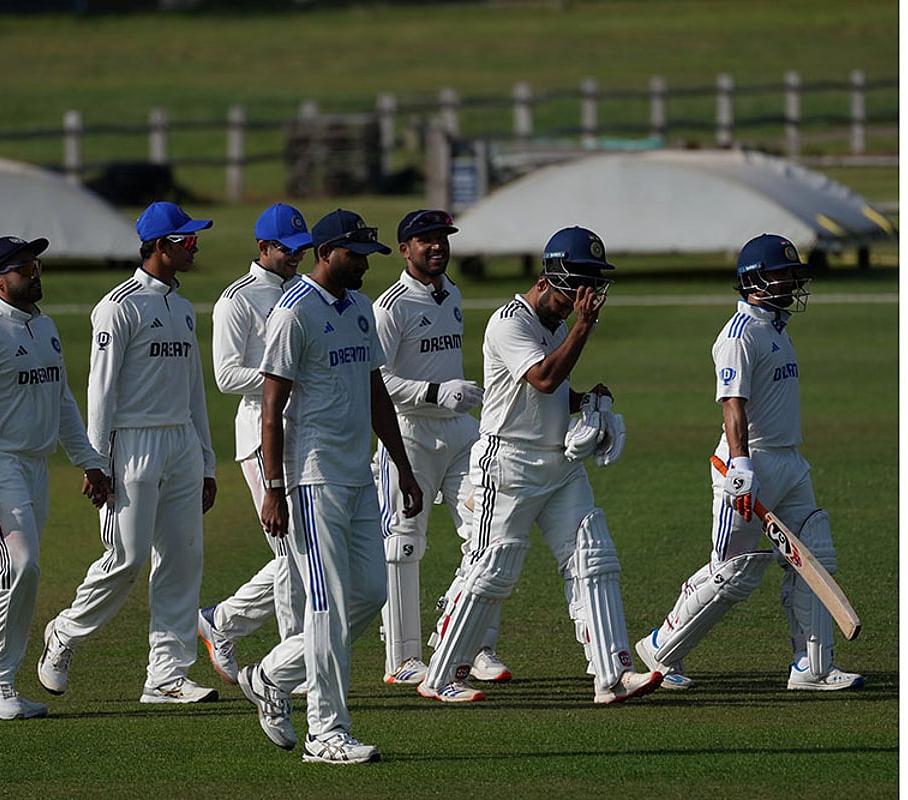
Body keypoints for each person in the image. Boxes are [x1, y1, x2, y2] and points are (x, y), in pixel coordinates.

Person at [418, 226, 662, 706]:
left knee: (594, 555)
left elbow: (548, 395)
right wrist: (584, 328)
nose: (586, 295)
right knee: (491, 567)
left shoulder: (555, 325)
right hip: (508, 464)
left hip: (559, 463)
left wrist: (590, 402)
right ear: (552, 276)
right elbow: (544, 379)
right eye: (580, 283)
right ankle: (440, 675)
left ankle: (611, 675)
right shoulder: (510, 322)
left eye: (593, 284)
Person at [634, 233, 864, 692]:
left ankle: (811, 668)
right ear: (754, 280)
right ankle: (659, 649)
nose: (790, 283)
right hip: (747, 466)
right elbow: (732, 404)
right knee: (732, 572)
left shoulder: (775, 332)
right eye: (782, 274)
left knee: (814, 553)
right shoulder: (738, 336)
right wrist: (741, 466)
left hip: (790, 463)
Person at [237, 208, 423, 765]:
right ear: (326, 254)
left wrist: (403, 467)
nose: (365, 265)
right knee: (326, 607)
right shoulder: (293, 312)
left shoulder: (361, 308)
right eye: (356, 255)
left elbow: (374, 393)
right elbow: (271, 408)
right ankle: (326, 733)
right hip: (309, 481)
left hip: (358, 477)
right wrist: (274, 486)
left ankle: (272, 673)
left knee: (369, 592)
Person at [37, 202, 221, 704]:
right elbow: (101, 390)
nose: (194, 245)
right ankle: (64, 633)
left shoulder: (183, 308)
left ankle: (166, 675)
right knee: (126, 558)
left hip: (180, 441)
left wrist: (206, 461)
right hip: (131, 444)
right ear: (161, 246)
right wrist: (95, 462)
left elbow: (194, 389)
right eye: (186, 239)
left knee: (183, 559)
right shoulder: (118, 307)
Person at [0, 235, 111, 720]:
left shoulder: (45, 327)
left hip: (34, 466)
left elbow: (61, 401)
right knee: (17, 565)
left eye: (36, 265)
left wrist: (88, 460)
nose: (35, 274)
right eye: (23, 268)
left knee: (27, 573)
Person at [372, 209, 510, 687]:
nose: (436, 247)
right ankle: (402, 658)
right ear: (405, 249)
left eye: (442, 239)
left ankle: (474, 645)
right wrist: (434, 393)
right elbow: (378, 382)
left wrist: (460, 397)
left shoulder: (451, 292)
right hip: (408, 435)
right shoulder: (389, 308)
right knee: (404, 544)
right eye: (425, 240)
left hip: (460, 434)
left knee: (487, 533)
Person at [196, 203, 311, 684]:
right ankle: (293, 662)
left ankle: (221, 621)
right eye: (288, 250)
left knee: (302, 552)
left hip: (306, 430)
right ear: (263, 247)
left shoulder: (305, 292)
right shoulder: (236, 300)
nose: (296, 259)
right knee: (292, 553)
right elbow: (225, 375)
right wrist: (283, 379)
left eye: (303, 251)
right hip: (260, 434)